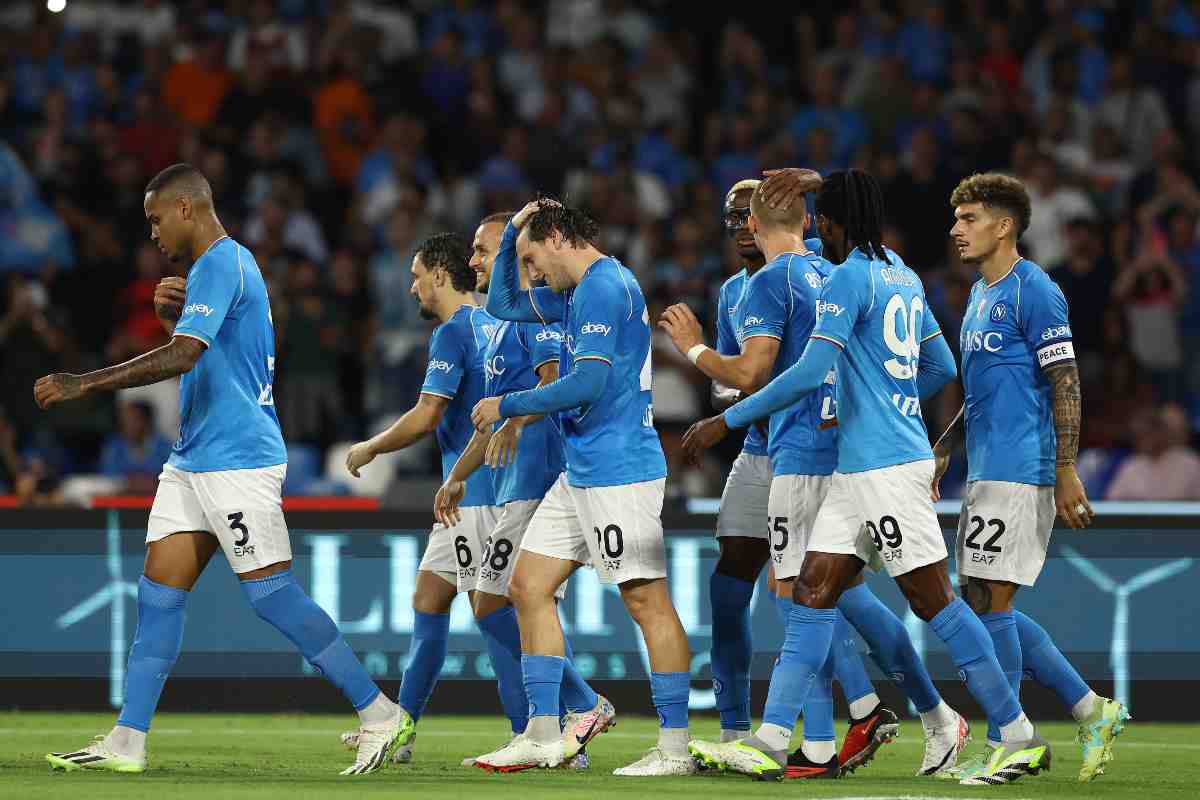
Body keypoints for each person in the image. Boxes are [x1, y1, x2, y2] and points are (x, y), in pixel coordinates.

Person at [680, 169, 1050, 787]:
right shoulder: (899, 270)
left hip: (884, 468)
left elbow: (807, 374)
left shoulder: (849, 278)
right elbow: (939, 365)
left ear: (830, 223)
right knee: (811, 591)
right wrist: (886, 399)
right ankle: (771, 739)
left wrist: (727, 421)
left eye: (822, 220)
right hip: (861, 467)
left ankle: (1017, 734)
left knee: (933, 601)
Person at [37, 163, 404, 775]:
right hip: (193, 458)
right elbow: (208, 359)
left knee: (271, 595)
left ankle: (380, 713)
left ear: (186, 208)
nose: (152, 233)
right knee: (158, 595)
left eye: (156, 219)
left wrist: (87, 383)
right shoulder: (216, 271)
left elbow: (185, 356)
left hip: (237, 460)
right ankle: (128, 739)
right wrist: (169, 324)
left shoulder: (222, 263)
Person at [471, 199, 694, 776]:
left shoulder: (604, 287)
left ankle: (674, 747)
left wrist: (507, 404)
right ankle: (543, 734)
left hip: (620, 472)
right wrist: (511, 235)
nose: (531, 272)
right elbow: (501, 304)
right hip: (581, 470)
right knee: (526, 586)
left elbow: (588, 383)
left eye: (532, 259)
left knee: (646, 602)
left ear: (557, 238)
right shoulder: (573, 294)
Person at [933, 173, 1129, 782]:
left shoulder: (1035, 290)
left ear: (1004, 225)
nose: (956, 229)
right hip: (985, 466)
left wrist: (1065, 468)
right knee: (980, 599)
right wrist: (945, 447)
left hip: (1023, 467)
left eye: (969, 218)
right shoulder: (979, 295)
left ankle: (1009, 741)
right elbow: (983, 390)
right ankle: (1091, 709)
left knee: (992, 600)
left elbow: (1064, 382)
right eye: (956, 218)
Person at [432, 211, 614, 768]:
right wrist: (459, 475)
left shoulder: (534, 321)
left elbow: (552, 385)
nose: (473, 261)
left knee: (500, 602)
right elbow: (489, 418)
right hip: (513, 483)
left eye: (483, 251)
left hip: (539, 477)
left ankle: (577, 710)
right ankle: (560, 727)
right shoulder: (501, 326)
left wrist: (514, 423)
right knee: (511, 602)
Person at [338, 231, 505, 765]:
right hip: (472, 491)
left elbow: (428, 413)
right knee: (430, 598)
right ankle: (401, 728)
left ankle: (558, 719)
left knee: (496, 612)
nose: (411, 289)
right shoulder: (493, 322)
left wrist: (371, 446)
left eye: (416, 277)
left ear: (438, 273)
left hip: (475, 494)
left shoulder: (453, 332)